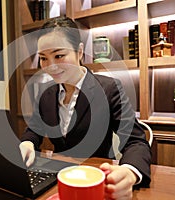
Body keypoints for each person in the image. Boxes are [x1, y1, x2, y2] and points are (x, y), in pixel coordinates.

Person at [19, 16, 151, 199]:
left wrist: (129, 172)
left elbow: (135, 141)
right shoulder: (45, 93)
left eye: (59, 56)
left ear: (79, 52)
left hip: (95, 179)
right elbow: (34, 129)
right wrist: (27, 143)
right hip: (59, 179)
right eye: (43, 58)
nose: (51, 67)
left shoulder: (109, 88)